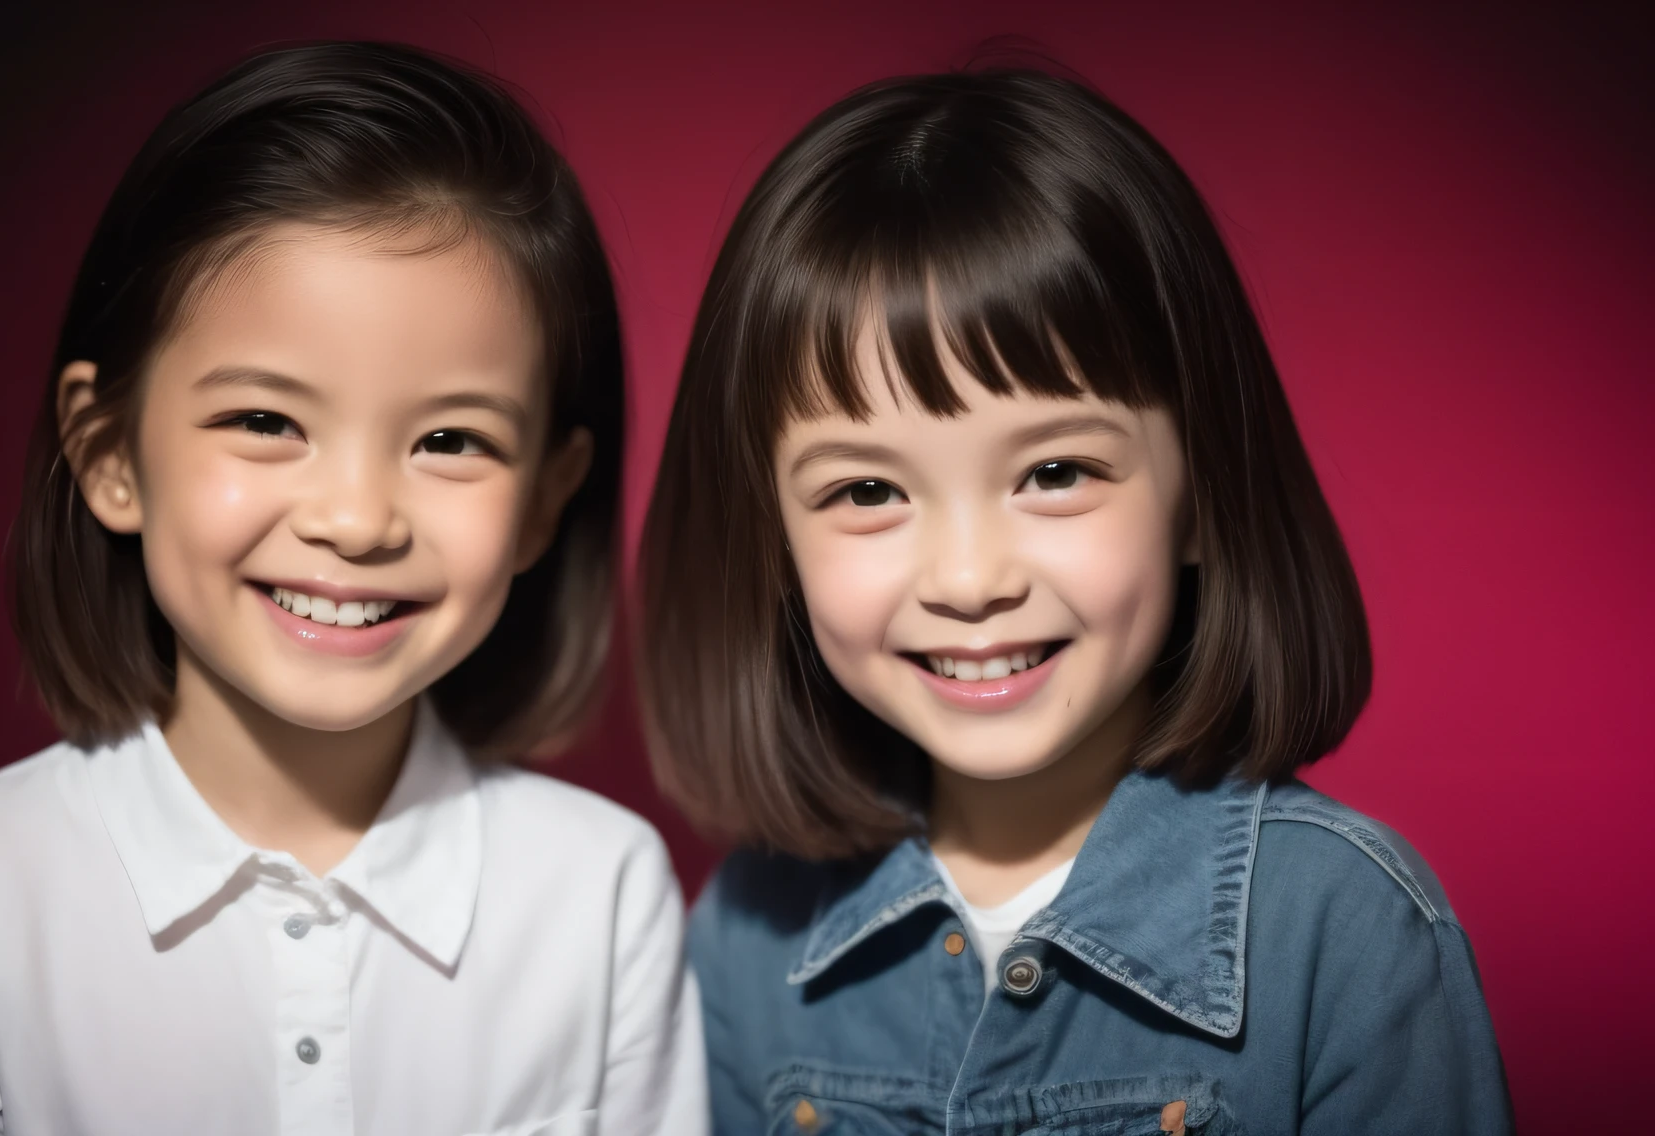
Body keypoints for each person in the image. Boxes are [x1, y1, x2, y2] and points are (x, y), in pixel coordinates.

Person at [0, 41, 704, 1136]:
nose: (354, 517)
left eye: (448, 438)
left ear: (541, 500)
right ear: (108, 452)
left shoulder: (600, 893)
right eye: (264, 421)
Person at [639, 68, 1509, 1134]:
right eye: (866, 489)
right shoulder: (746, 937)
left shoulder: (1341, 928)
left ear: (1201, 492)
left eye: (1053, 472)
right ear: (770, 542)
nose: (968, 580)